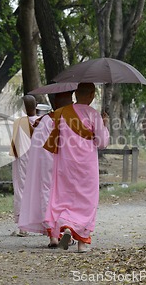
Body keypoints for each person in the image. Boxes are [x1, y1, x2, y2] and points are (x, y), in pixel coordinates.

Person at [43, 83, 109, 253]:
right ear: (92, 95)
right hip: (86, 165)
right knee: (86, 200)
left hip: (65, 164)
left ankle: (66, 226)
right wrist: (105, 124)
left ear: (76, 94)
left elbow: (54, 137)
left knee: (65, 197)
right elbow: (102, 142)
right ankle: (82, 243)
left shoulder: (63, 113)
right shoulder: (93, 114)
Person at [18, 91, 74, 248]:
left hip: (46, 166)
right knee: (65, 197)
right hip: (67, 167)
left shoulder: (45, 120)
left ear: (55, 103)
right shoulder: (73, 121)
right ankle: (66, 231)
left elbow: (36, 147)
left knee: (47, 197)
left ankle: (53, 237)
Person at [9, 95, 39, 236]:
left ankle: (23, 227)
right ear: (36, 105)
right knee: (40, 191)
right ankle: (43, 225)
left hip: (22, 160)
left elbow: (14, 147)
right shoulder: (43, 122)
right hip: (39, 161)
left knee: (21, 190)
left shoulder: (19, 122)